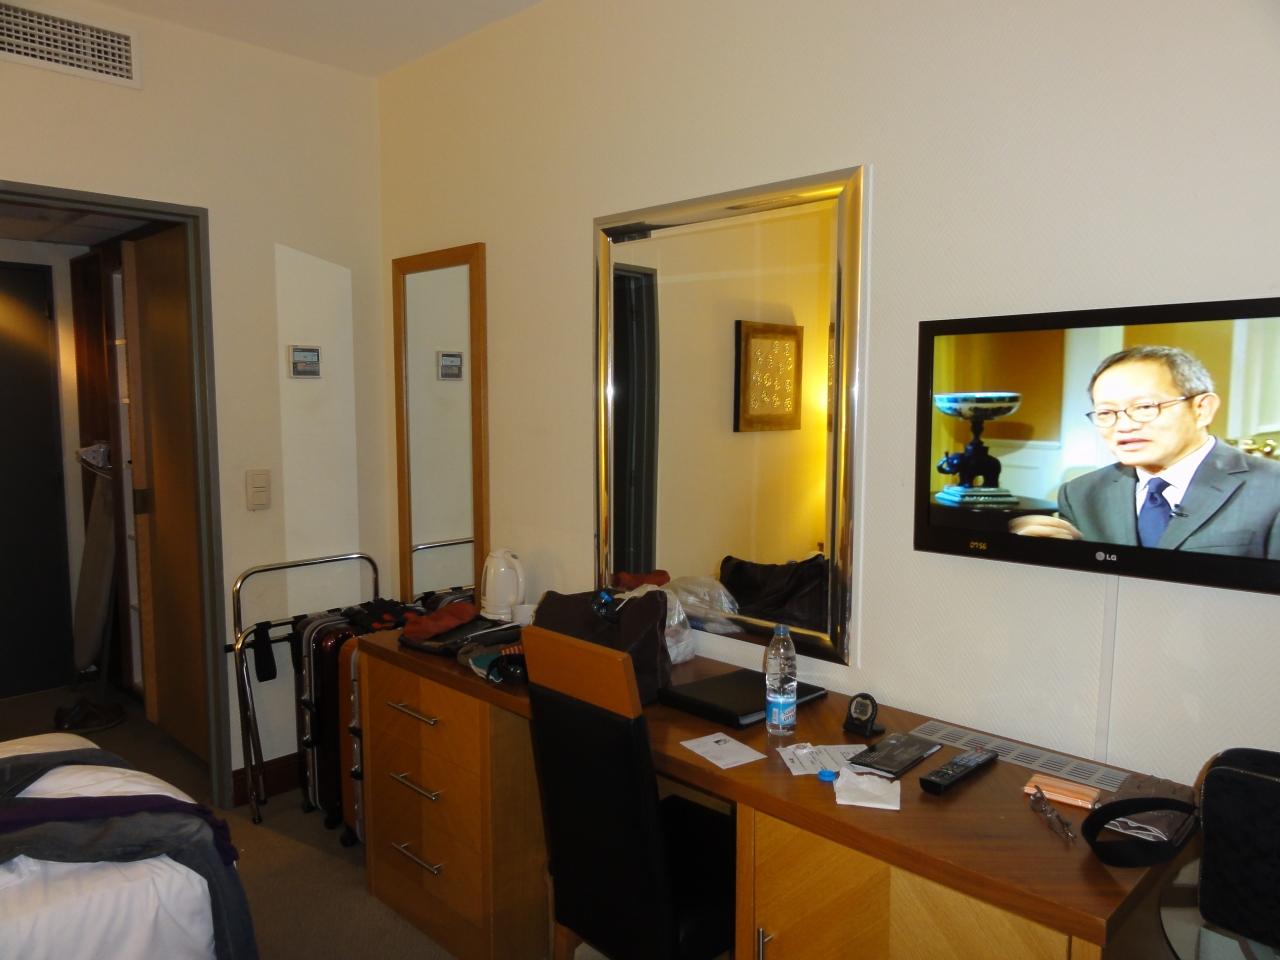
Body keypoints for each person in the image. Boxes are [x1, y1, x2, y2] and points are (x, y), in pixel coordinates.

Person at [1010, 345, 1280, 558]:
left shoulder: (1272, 488)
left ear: (1202, 409)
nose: (1124, 426)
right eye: (1106, 413)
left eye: (1145, 408)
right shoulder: (1081, 493)